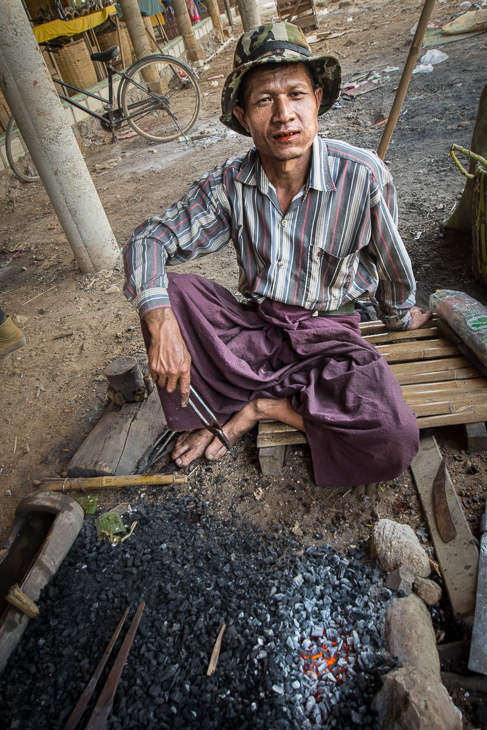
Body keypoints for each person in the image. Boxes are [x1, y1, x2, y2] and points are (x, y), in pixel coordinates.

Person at [123, 22, 431, 487]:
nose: (284, 114)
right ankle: (254, 391)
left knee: (393, 437)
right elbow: (147, 240)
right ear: (243, 116)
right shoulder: (229, 184)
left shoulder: (362, 175)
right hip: (260, 329)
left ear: (318, 100)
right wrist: (161, 320)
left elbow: (390, 266)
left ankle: (259, 406)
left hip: (330, 338)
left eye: (296, 94)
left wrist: (400, 317)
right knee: (166, 292)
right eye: (265, 100)